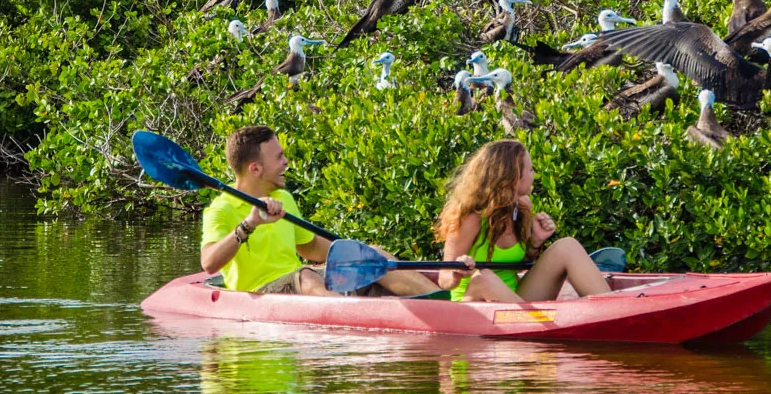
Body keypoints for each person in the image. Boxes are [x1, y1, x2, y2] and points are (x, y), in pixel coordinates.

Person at [201, 124, 431, 296]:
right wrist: (249, 224)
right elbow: (209, 263)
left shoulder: (283, 198)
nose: (286, 161)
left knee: (372, 256)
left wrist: (357, 253)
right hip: (259, 292)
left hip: (297, 282)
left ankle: (443, 303)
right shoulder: (221, 210)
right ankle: (353, 321)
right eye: (279, 157)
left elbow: (310, 247)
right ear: (255, 169)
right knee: (305, 276)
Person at [434, 139, 612, 302]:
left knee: (568, 246)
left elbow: (519, 266)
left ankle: (612, 309)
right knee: (484, 278)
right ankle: (538, 320)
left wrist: (535, 242)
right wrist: (456, 273)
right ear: (512, 177)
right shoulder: (470, 218)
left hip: (514, 299)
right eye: (531, 169)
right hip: (472, 305)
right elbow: (444, 279)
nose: (534, 174)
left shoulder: (522, 206)